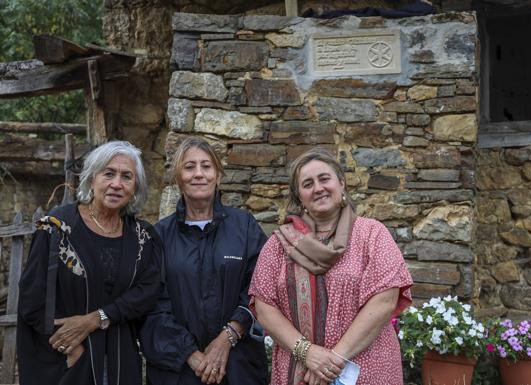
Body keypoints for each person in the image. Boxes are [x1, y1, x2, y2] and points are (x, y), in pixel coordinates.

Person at [249, 147, 414, 385]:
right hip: (299, 372)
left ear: (342, 184)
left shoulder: (371, 234)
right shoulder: (279, 244)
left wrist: (332, 360)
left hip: (365, 371)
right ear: (299, 197)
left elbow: (384, 301)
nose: (318, 188)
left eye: (324, 179)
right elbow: (264, 307)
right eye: (307, 184)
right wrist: (308, 352)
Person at [17, 140, 161, 385]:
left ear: (135, 187)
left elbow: (146, 292)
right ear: (92, 178)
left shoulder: (143, 237)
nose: (116, 184)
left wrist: (96, 318)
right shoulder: (56, 227)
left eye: (127, 176)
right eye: (108, 173)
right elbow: (32, 299)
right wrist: (70, 348)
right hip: (68, 360)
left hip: (119, 361)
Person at [140, 137, 268, 385]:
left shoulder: (245, 227)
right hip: (179, 372)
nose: (198, 174)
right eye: (189, 167)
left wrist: (228, 336)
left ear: (218, 175)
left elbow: (261, 289)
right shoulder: (159, 236)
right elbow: (151, 305)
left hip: (240, 368)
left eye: (206, 166)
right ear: (178, 178)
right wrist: (190, 354)